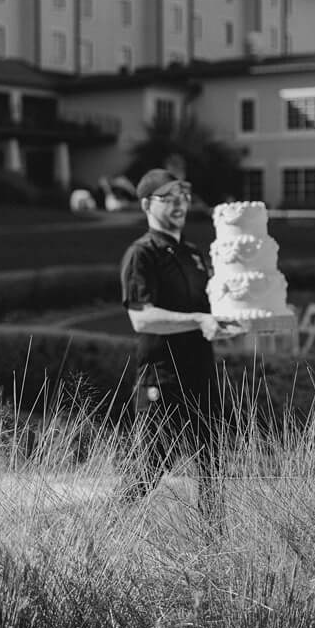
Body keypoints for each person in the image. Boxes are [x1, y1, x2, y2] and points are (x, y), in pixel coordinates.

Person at [118, 168, 238, 514]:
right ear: (145, 204)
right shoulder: (141, 254)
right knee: (146, 471)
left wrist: (234, 319)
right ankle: (105, 540)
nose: (178, 205)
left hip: (201, 375)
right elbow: (142, 317)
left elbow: (209, 310)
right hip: (162, 377)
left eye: (182, 197)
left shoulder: (194, 253)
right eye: (167, 198)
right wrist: (199, 320)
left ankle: (213, 546)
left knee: (214, 471)